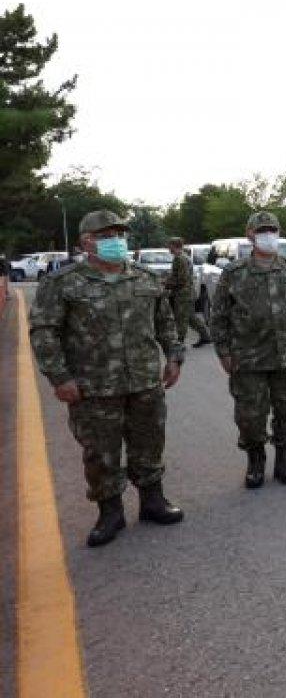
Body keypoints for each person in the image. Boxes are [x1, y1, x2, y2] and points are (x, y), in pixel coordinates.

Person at [28, 210, 186, 547]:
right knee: (100, 452)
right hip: (93, 387)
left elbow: (166, 323)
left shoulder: (145, 278)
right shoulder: (62, 283)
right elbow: (44, 332)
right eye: (105, 235)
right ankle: (110, 512)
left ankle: (152, 501)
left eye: (119, 234)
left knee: (149, 442)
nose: (115, 240)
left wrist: (173, 357)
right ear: (86, 242)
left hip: (144, 381)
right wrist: (59, 377)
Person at [210, 211, 286, 489]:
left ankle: (284, 462)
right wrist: (223, 351)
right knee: (250, 416)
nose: (268, 235)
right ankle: (255, 462)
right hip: (248, 358)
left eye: (273, 230)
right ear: (250, 235)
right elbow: (218, 315)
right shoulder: (234, 273)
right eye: (262, 230)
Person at [164, 237, 212, 348]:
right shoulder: (183, 257)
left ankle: (180, 342)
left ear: (174, 245)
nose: (168, 248)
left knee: (181, 317)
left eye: (169, 245)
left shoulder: (180, 259)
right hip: (187, 292)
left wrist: (167, 284)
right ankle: (206, 336)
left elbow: (181, 279)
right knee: (190, 317)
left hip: (183, 293)